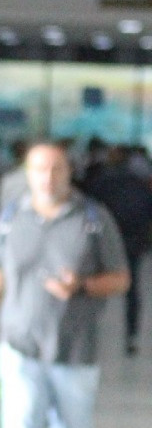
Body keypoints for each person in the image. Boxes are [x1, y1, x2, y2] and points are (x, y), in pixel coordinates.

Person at [0, 143, 130, 428]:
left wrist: (82, 286)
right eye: (40, 169)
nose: (48, 177)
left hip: (75, 351)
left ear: (70, 172)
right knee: (22, 419)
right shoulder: (10, 218)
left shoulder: (94, 219)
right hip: (20, 346)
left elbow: (121, 279)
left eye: (57, 169)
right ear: (27, 174)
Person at [80, 147, 152, 355]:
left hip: (102, 241)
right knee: (132, 287)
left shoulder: (103, 181)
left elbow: (88, 207)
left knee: (91, 287)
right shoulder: (139, 182)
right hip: (132, 240)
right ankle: (132, 335)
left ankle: (87, 332)